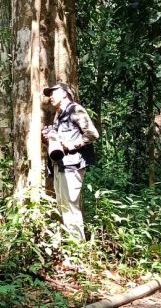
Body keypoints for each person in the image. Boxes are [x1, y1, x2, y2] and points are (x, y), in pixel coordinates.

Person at [42, 83, 99, 241]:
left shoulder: (76, 110)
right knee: (62, 205)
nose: (51, 96)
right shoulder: (59, 114)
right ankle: (70, 245)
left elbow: (93, 134)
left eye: (54, 93)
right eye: (49, 94)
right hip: (59, 165)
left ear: (65, 94)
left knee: (70, 207)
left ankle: (77, 246)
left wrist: (72, 145)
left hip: (72, 166)